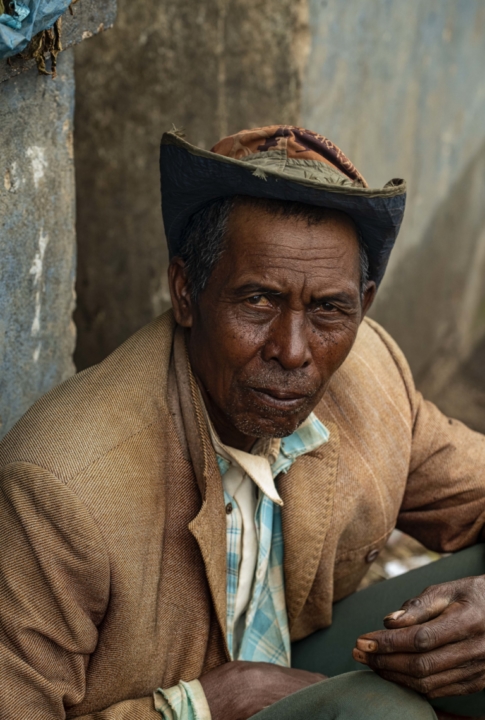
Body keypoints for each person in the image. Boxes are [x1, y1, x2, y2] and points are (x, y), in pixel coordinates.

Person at [1, 125, 485, 720]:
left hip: (295, 660)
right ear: (186, 293)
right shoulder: (64, 487)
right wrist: (206, 704)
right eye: (258, 300)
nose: (293, 351)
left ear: (364, 304)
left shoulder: (370, 377)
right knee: (384, 713)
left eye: (330, 309)